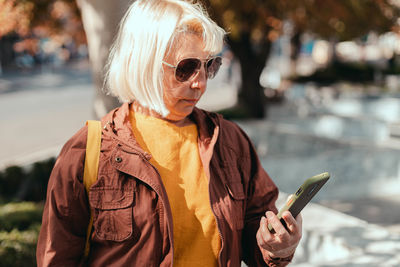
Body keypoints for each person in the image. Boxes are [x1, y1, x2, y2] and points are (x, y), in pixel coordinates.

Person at [36, 0, 302, 266]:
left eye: (209, 65)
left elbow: (257, 230)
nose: (200, 82)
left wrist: (277, 246)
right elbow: (57, 257)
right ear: (145, 62)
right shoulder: (87, 151)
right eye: (186, 68)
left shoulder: (230, 141)